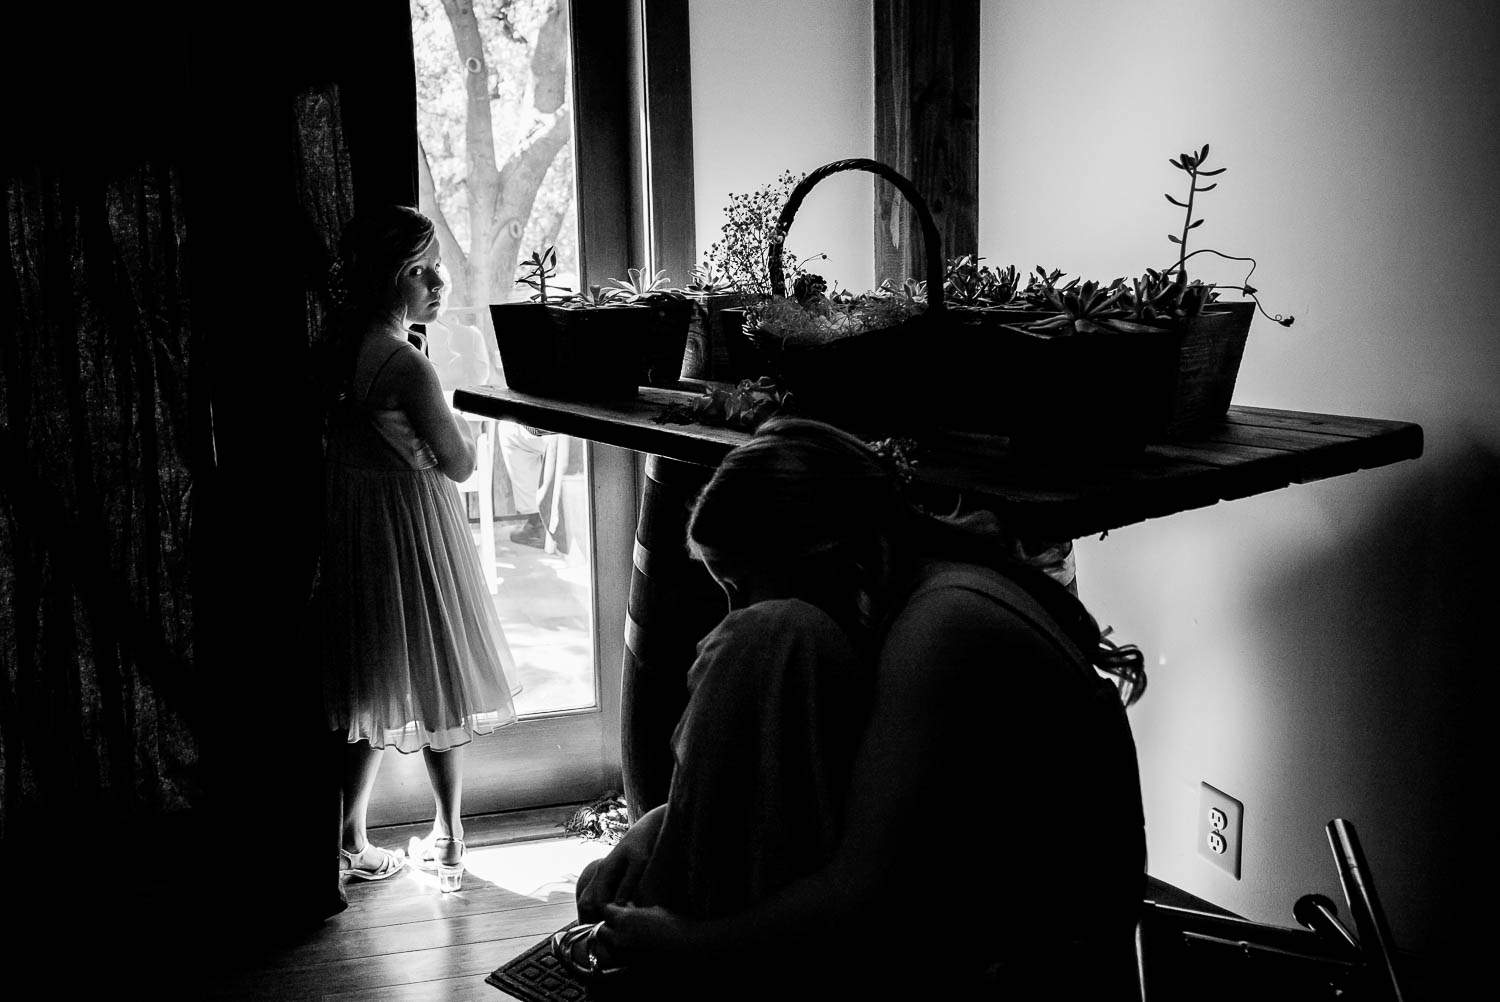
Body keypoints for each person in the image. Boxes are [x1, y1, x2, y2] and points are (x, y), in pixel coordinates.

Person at [568, 417, 1148, 997]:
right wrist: (657, 825)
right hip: (970, 918)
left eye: (740, 586)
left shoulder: (941, 626)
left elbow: (866, 898)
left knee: (765, 639)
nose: (730, 612)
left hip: (1033, 966)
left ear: (817, 554)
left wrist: (684, 947)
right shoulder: (909, 596)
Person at [318, 205, 519, 890]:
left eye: (434, 265)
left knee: (371, 678)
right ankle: (451, 835)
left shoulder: (340, 345)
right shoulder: (405, 364)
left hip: (360, 527)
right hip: (414, 525)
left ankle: (349, 836)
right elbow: (458, 464)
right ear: (385, 280)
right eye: (418, 271)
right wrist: (465, 429)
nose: (438, 281)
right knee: (440, 672)